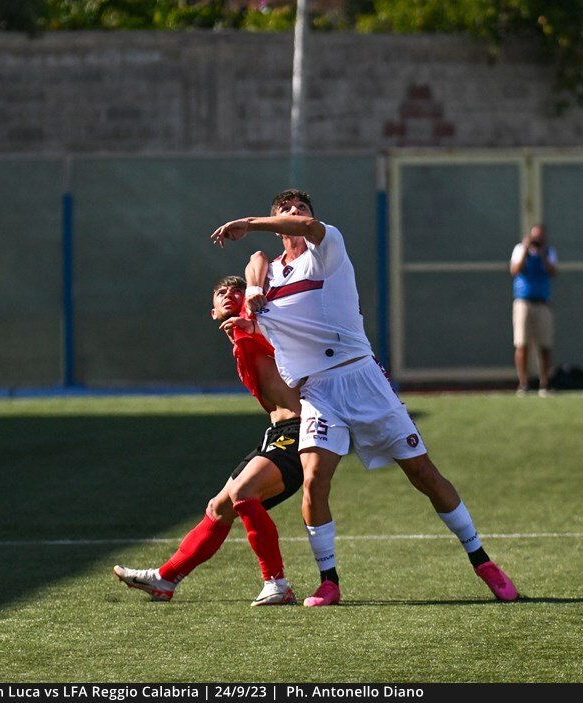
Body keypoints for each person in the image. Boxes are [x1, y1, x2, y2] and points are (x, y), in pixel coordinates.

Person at [211, 188, 518, 607]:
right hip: (317, 390)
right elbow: (257, 269)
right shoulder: (267, 276)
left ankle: (482, 560)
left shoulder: (326, 250)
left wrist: (251, 223)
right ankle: (329, 581)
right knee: (316, 481)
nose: (296, 215)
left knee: (423, 475)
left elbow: (298, 231)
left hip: (361, 377)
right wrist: (250, 294)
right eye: (286, 209)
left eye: (302, 209)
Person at [112, 275, 305, 606]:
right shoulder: (238, 336)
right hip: (276, 434)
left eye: (237, 290)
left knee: (245, 492)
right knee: (219, 508)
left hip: (302, 429)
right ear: (212, 312)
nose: (230, 294)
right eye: (221, 292)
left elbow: (257, 259)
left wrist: (255, 293)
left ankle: (277, 583)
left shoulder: (261, 319)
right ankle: (165, 579)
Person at [510, 224, 558, 397]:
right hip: (523, 302)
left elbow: (553, 271)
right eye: (535, 237)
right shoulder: (520, 250)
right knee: (522, 344)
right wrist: (525, 249)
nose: (537, 240)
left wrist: (543, 254)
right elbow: (515, 270)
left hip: (542, 303)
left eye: (540, 237)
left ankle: (544, 383)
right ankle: (524, 383)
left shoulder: (549, 252)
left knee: (544, 345)